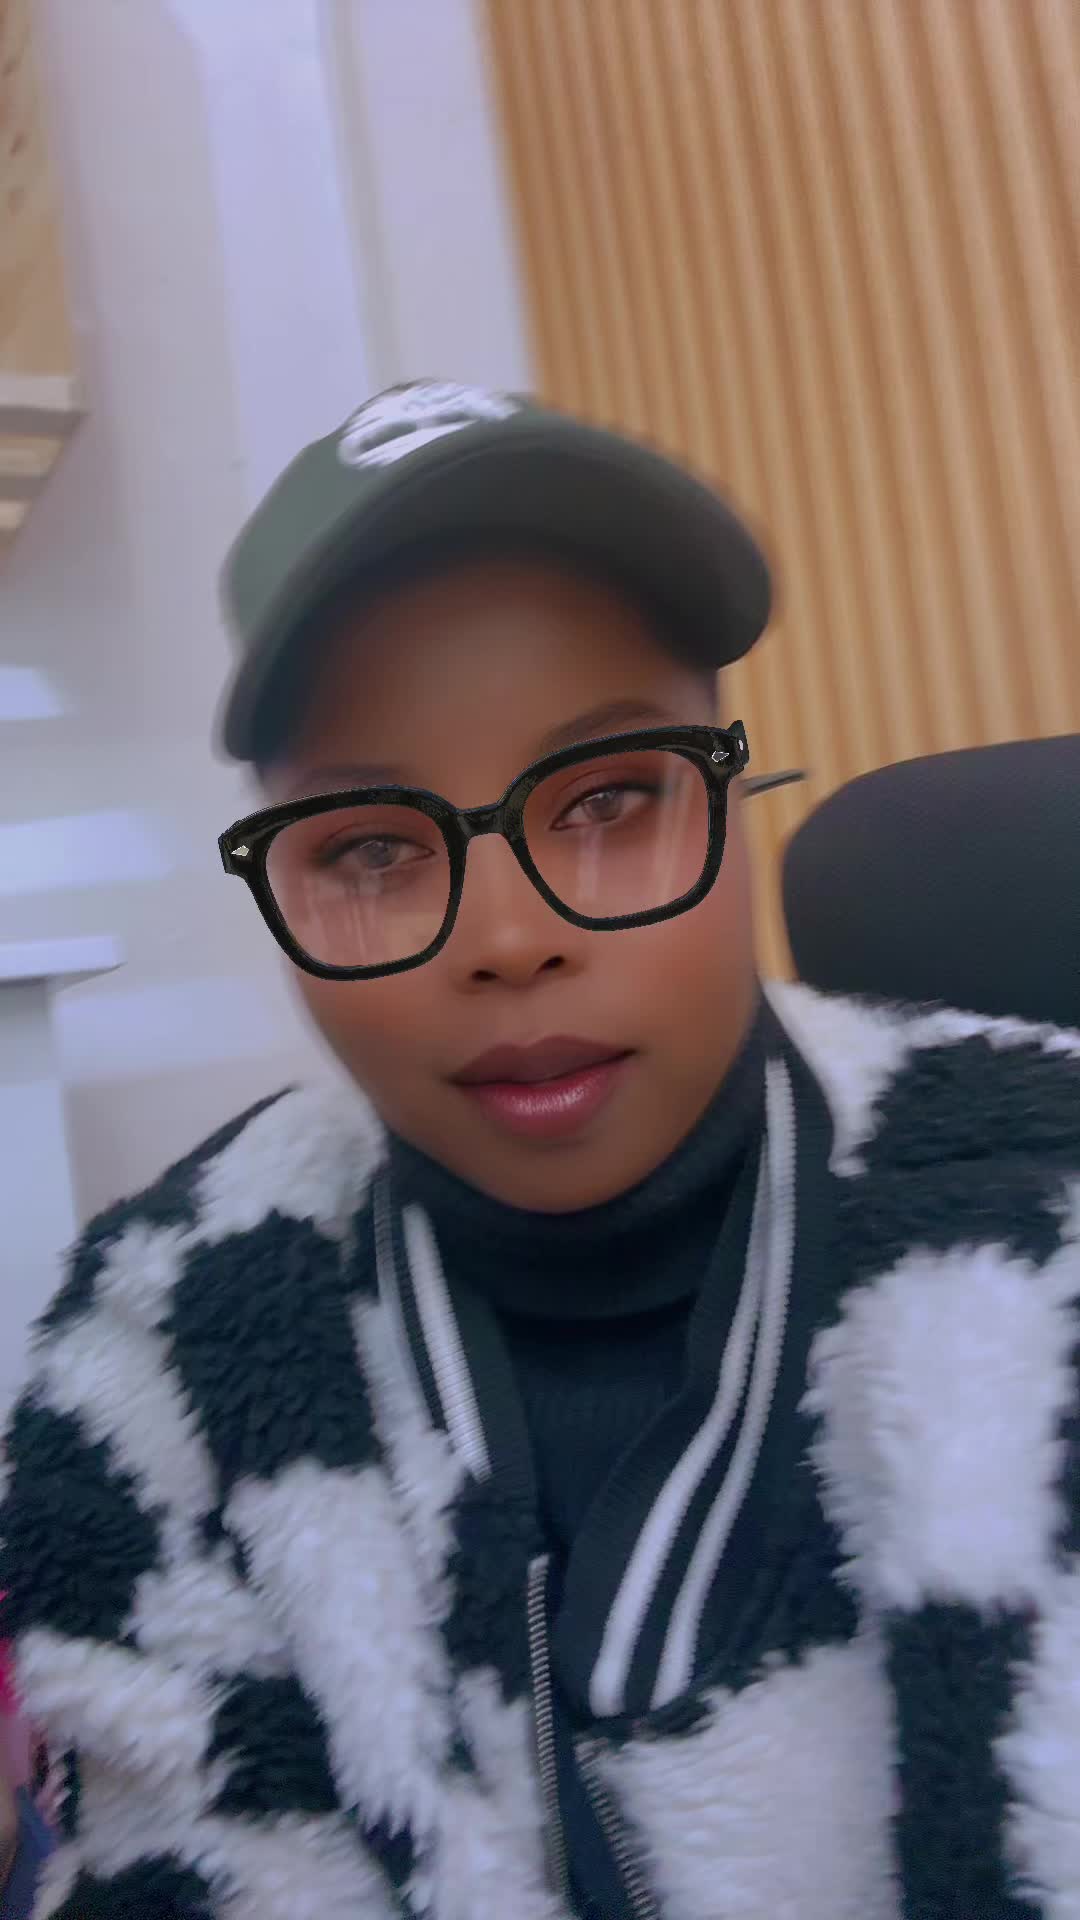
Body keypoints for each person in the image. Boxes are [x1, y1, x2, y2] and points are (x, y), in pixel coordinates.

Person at [1, 381, 1078, 1920]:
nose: (509, 939)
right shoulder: (167, 1346)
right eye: (373, 848)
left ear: (736, 802)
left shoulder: (1047, 1212)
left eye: (610, 799)